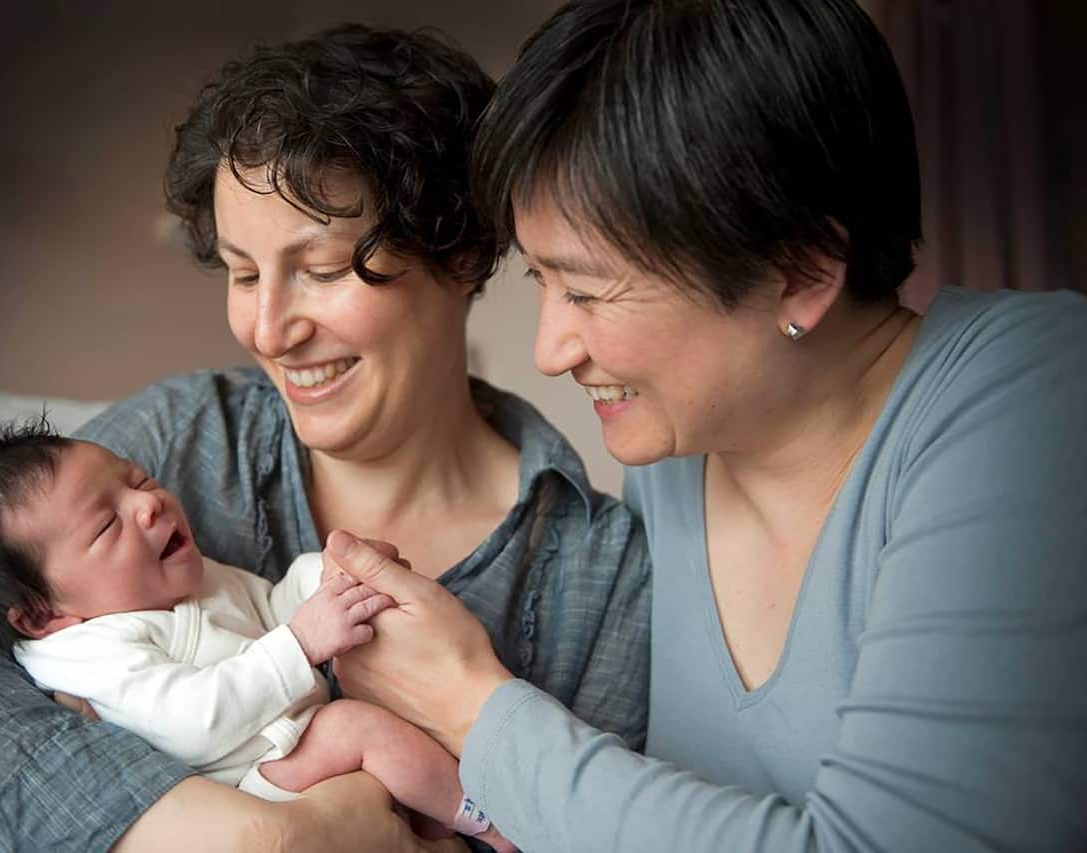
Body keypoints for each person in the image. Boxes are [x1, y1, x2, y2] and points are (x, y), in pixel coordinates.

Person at [0, 23, 651, 852]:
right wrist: (231, 834)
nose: (268, 329)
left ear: (462, 255)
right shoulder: (189, 431)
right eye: (244, 274)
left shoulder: (595, 566)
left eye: (320, 270)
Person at [322, 1, 1087, 851]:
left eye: (588, 289)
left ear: (801, 269)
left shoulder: (1033, 395)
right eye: (540, 281)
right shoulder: (677, 457)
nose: (550, 349)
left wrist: (472, 702)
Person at [0, 410, 516, 850]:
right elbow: (191, 720)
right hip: (243, 788)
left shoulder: (181, 577)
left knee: (378, 705)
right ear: (42, 614)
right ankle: (492, 822)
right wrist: (302, 641)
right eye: (106, 525)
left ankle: (444, 818)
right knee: (355, 728)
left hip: (284, 748)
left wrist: (330, 576)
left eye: (136, 479)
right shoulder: (88, 651)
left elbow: (270, 606)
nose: (148, 503)